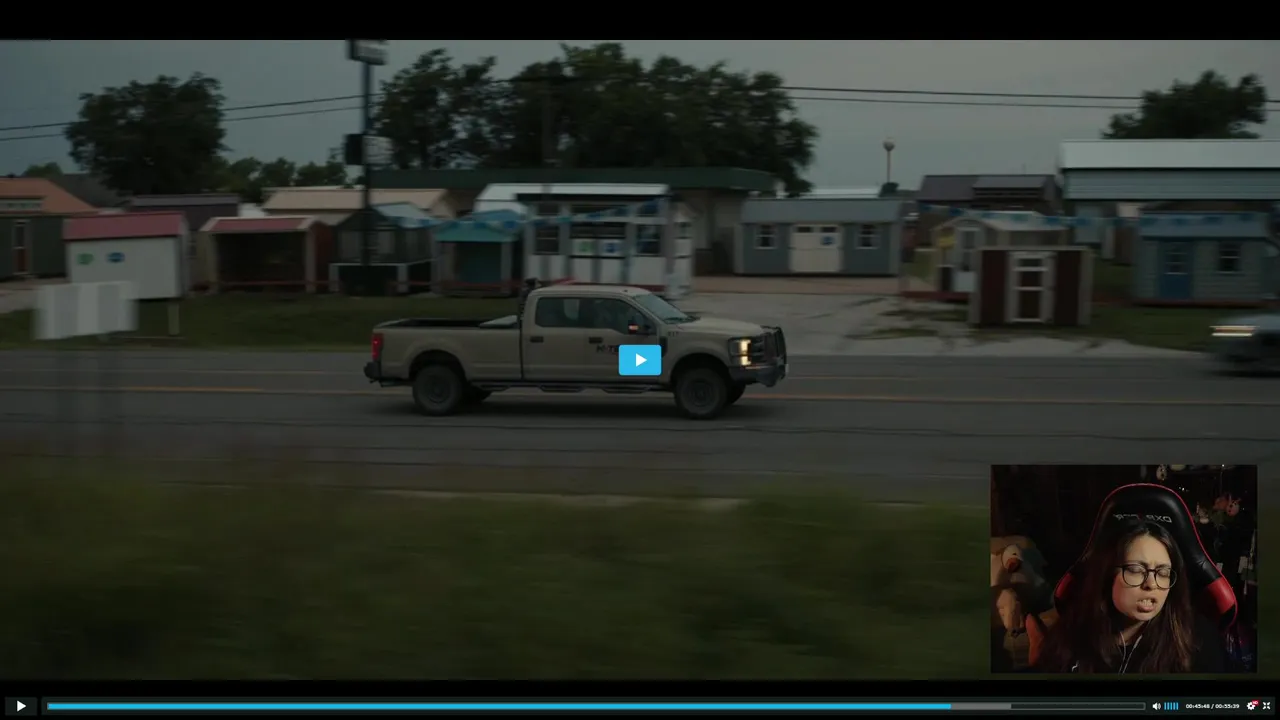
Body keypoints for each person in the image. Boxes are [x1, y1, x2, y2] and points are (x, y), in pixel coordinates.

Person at [1028, 518, 1225, 674]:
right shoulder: (1072, 632)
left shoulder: (1196, 639)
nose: (1151, 584)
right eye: (1136, 570)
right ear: (1107, 574)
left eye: (1163, 572)